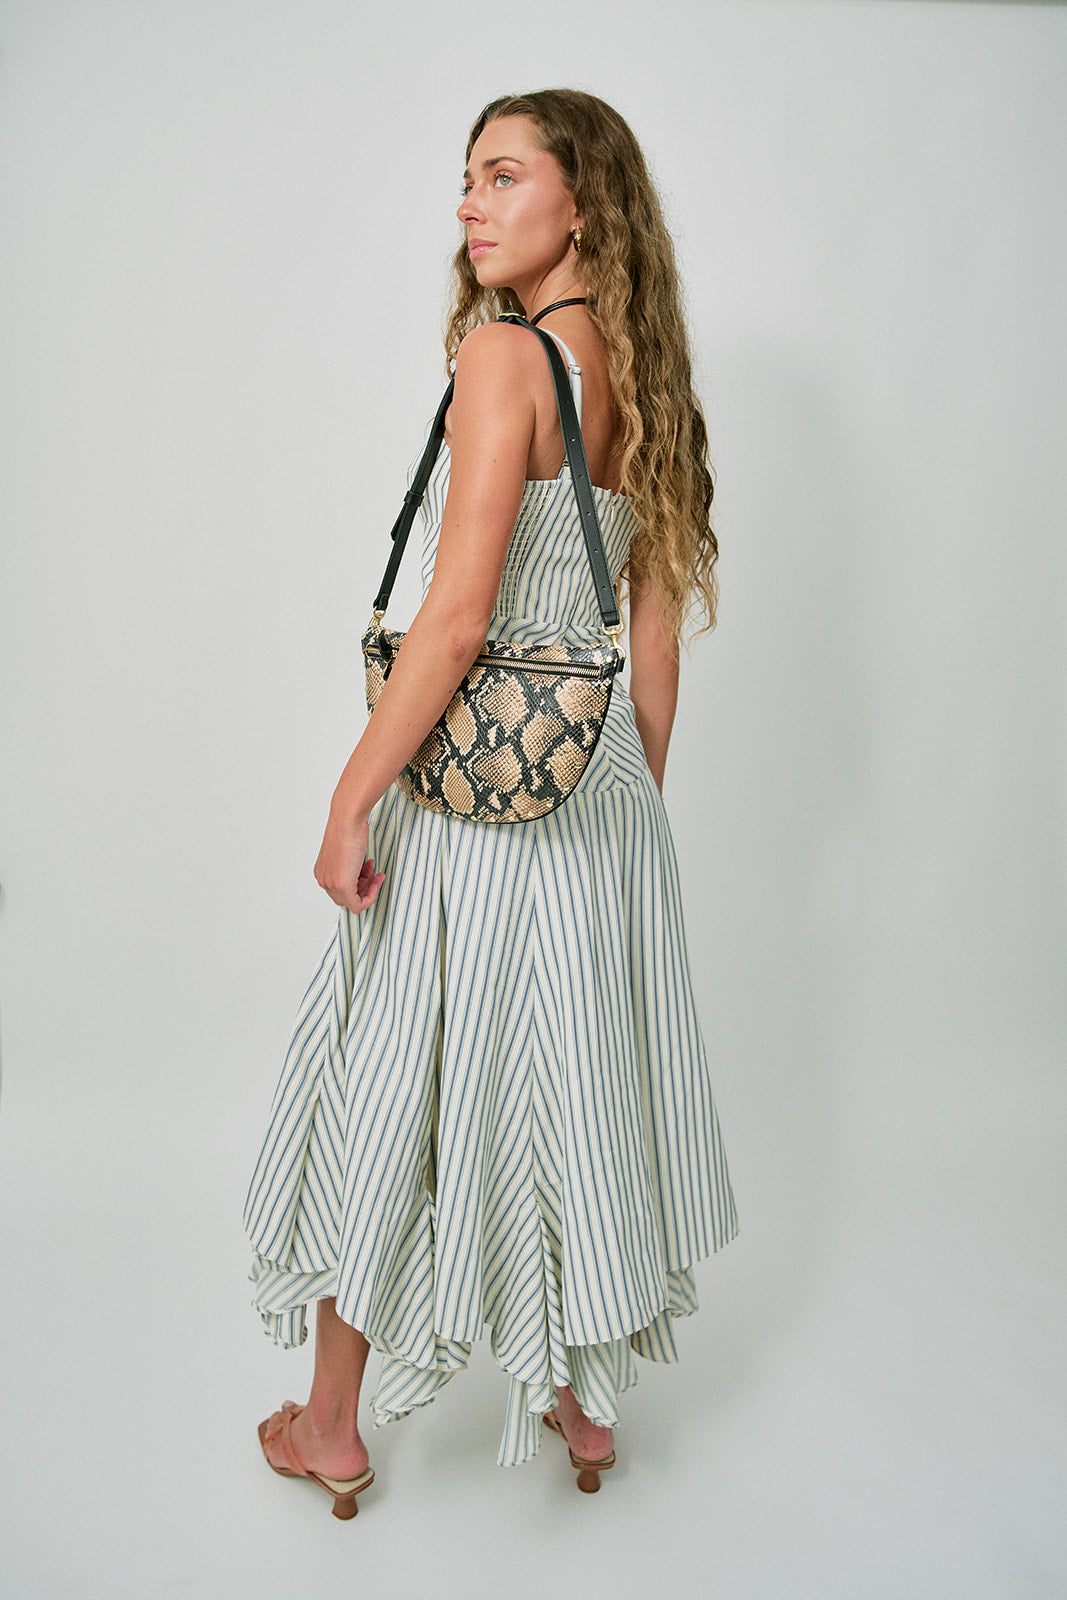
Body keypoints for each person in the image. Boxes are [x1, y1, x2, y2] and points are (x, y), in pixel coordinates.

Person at [245, 87, 738, 1516]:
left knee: (392, 1084)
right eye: (468, 177)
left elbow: (455, 622)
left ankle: (332, 1429)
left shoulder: (501, 357)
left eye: (501, 174)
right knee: (570, 1090)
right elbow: (651, 649)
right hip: (603, 807)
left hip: (479, 812)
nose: (468, 201)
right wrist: (624, 817)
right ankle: (578, 1408)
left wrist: (352, 799)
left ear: (579, 203)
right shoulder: (643, 373)